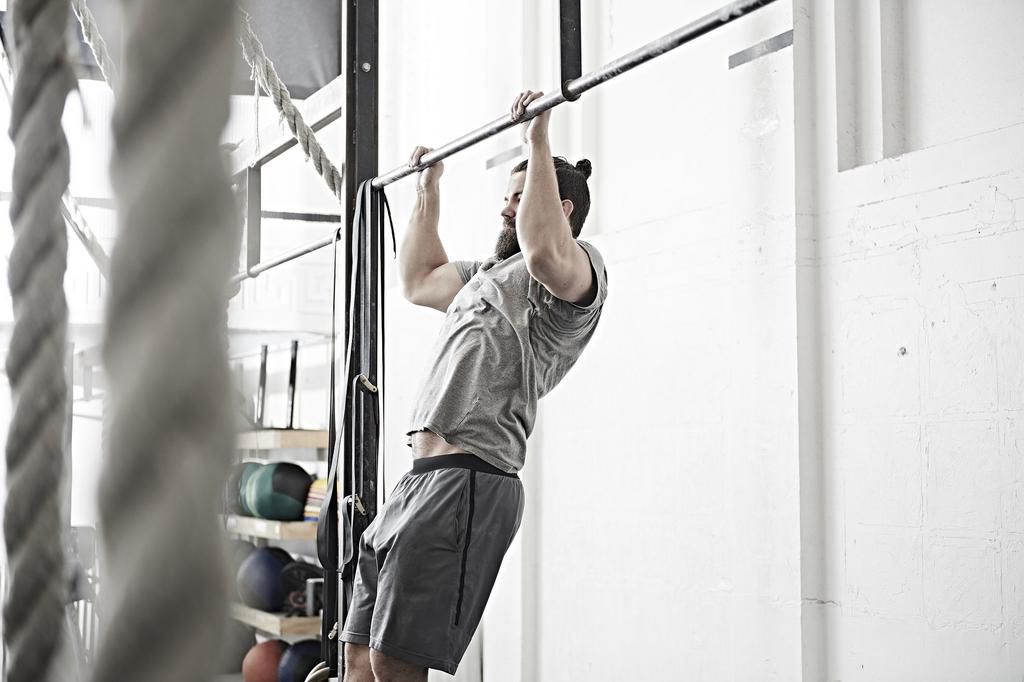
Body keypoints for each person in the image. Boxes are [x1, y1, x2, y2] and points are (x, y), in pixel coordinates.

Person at [340, 90, 609, 681]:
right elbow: (417, 278)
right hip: (417, 480)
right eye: (505, 199)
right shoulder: (485, 277)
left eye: (519, 197)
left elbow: (542, 250)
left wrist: (537, 139)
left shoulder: (572, 275)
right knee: (358, 656)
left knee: (394, 659)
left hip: (468, 480)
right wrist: (427, 190)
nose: (506, 210)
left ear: (562, 207)